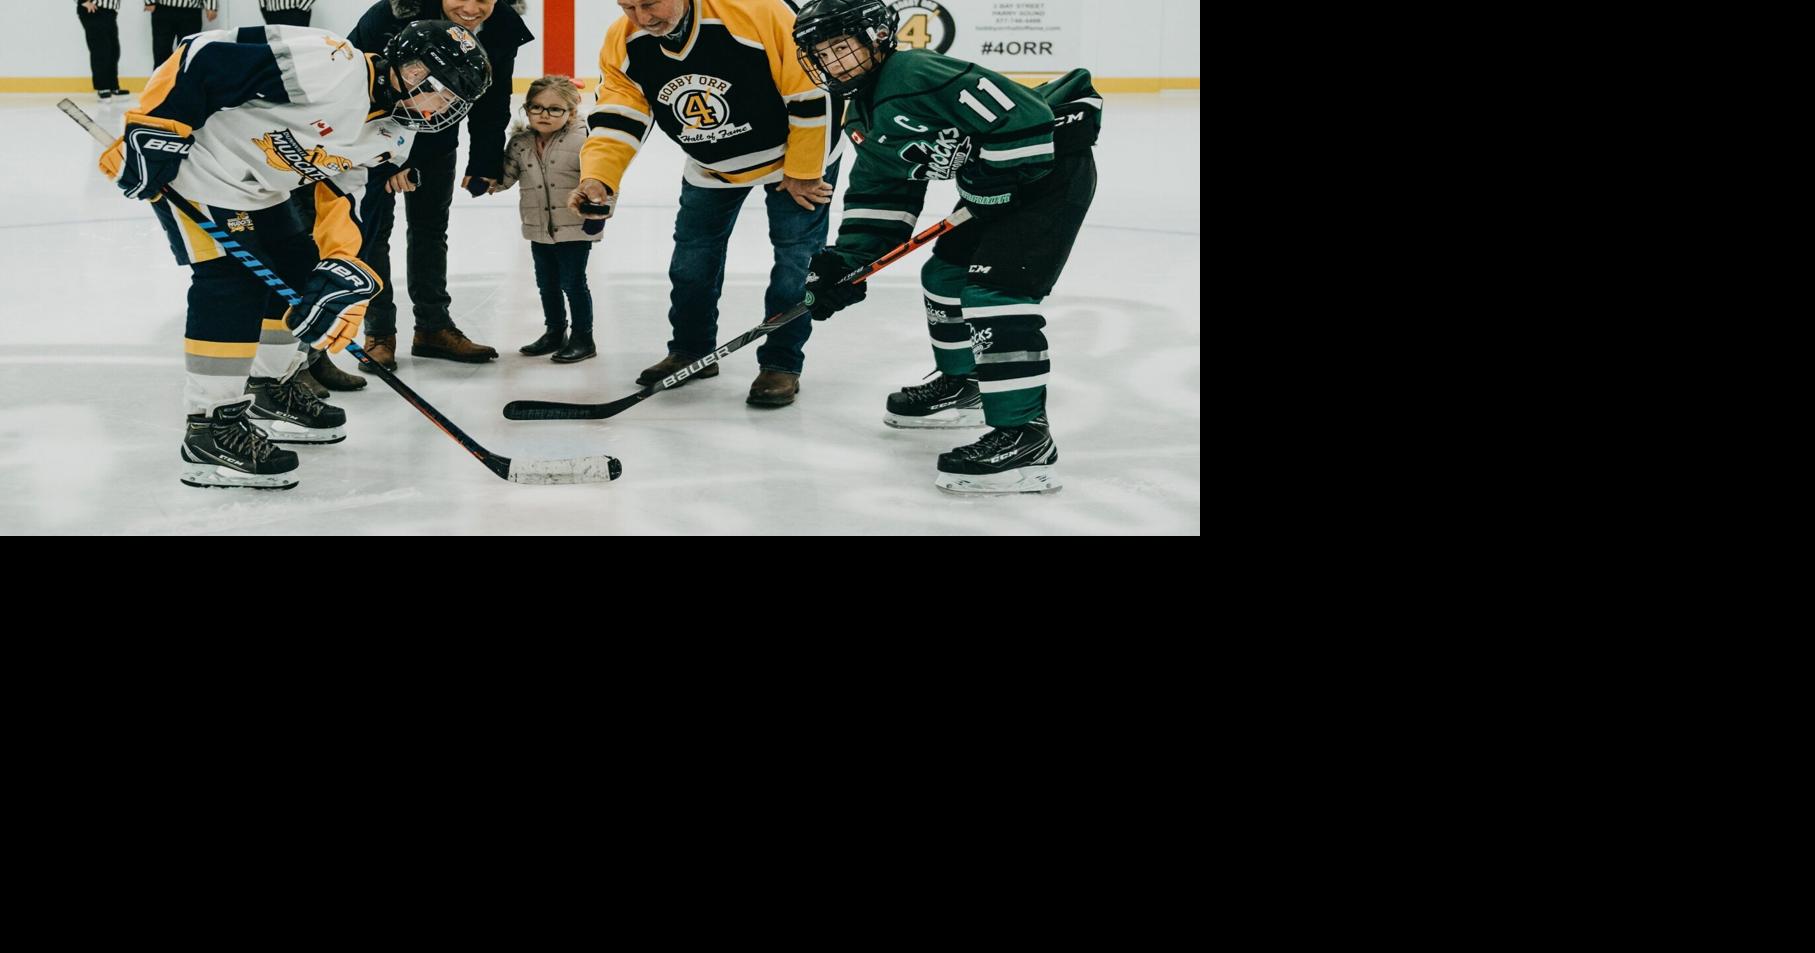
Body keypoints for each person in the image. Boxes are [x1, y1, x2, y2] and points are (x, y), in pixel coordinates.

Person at [97, 20, 492, 489]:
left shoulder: (394, 135)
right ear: (408, 69)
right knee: (232, 283)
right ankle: (209, 426)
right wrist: (157, 126)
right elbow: (200, 54)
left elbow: (351, 201)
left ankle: (270, 388)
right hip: (199, 171)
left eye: (453, 102)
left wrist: (343, 268)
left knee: (301, 274)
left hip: (264, 190)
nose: (443, 107)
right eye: (440, 92)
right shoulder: (329, 66)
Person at [792, 0, 1101, 493]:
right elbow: (882, 192)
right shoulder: (864, 112)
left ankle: (1025, 438)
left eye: (840, 46)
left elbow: (1029, 118)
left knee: (994, 295)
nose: (833, 62)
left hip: (1050, 173)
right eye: (821, 53)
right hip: (1002, 183)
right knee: (944, 277)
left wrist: (995, 179)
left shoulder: (916, 73)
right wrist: (846, 263)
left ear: (876, 37)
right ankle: (965, 384)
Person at [569, 0, 841, 407]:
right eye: (628, 6)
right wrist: (598, 175)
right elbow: (620, 110)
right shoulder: (623, 40)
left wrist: (804, 169)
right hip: (710, 164)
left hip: (797, 159)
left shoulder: (758, 12)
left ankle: (781, 364)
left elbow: (812, 89)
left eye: (650, 3)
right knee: (691, 261)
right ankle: (691, 351)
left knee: (796, 263)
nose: (642, 18)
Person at [347, 0, 534, 369]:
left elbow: (493, 95)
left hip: (438, 135)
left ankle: (433, 327)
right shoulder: (390, 15)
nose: (472, 8)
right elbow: (357, 88)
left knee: (431, 229)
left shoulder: (501, 23)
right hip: (370, 138)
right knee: (372, 231)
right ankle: (379, 331)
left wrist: (484, 161)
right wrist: (392, 160)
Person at [491, 76, 605, 363]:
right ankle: (555, 332)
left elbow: (604, 181)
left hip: (576, 226)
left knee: (573, 283)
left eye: (555, 109)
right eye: (537, 107)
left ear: (571, 112)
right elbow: (506, 177)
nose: (544, 114)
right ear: (526, 109)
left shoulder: (584, 141)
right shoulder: (520, 142)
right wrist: (486, 180)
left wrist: (598, 214)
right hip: (538, 227)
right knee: (547, 283)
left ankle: (583, 338)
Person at [76, 1, 128, 102]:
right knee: (100, 50)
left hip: (109, 11)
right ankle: (102, 87)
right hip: (94, 10)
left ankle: (112, 86)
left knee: (113, 50)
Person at [144, 1, 218, 68]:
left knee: (188, 53)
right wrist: (149, 2)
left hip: (191, 10)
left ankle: (185, 82)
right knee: (161, 51)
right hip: (163, 8)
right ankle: (161, 82)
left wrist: (211, 6)